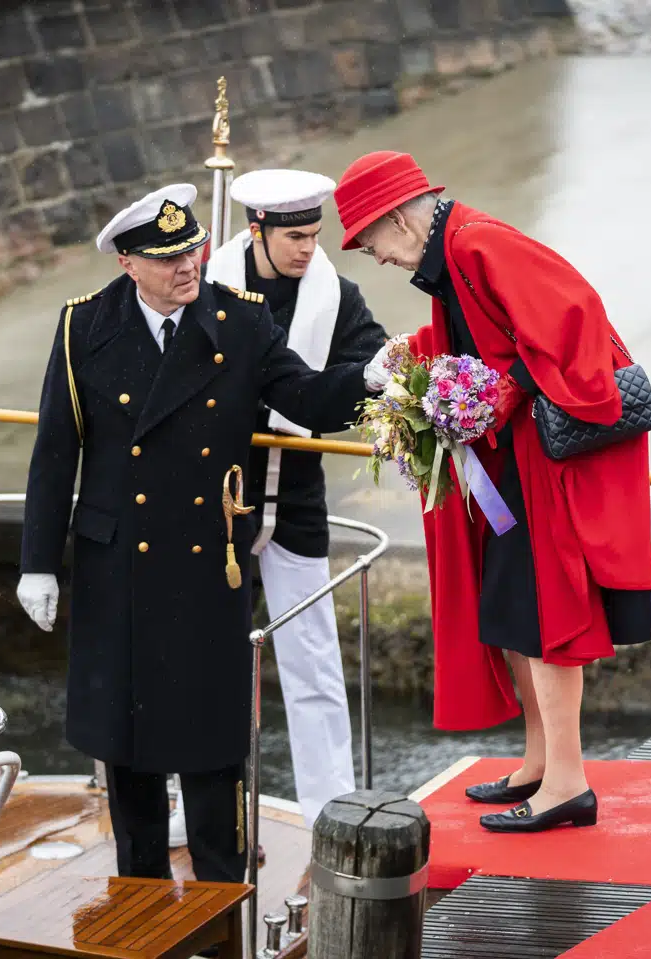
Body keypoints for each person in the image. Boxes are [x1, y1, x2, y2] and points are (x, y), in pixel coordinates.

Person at [15, 183, 370, 889]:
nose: (189, 266)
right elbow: (57, 451)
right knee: (128, 745)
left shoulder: (239, 323)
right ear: (128, 263)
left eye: (194, 250)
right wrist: (37, 565)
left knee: (210, 743)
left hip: (209, 564)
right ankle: (138, 898)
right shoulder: (82, 328)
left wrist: (372, 380)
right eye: (169, 256)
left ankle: (221, 905)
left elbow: (303, 397)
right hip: (116, 564)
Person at [333, 152, 651, 833]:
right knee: (514, 607)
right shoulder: (453, 253)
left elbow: (575, 319)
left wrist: (504, 389)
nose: (377, 258)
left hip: (545, 461)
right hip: (518, 459)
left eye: (372, 242)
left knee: (545, 613)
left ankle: (568, 782)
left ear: (397, 219)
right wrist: (414, 354)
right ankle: (540, 760)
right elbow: (494, 337)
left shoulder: (478, 243)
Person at [204, 168, 387, 829]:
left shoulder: (337, 296)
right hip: (215, 494)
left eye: (314, 235)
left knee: (311, 656)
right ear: (257, 230)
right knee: (206, 655)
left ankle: (329, 810)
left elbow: (371, 365)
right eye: (294, 238)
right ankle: (205, 803)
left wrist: (387, 376)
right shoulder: (205, 287)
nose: (308, 249)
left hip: (296, 492)